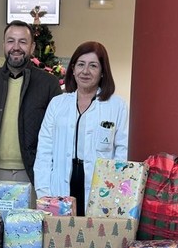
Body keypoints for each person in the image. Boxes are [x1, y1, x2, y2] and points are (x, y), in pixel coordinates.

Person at [33, 41, 129, 215]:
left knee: (96, 237)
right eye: (80, 65)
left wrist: (116, 192)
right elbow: (44, 151)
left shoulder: (117, 106)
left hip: (100, 186)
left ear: (102, 72)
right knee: (61, 237)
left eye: (93, 66)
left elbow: (122, 151)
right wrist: (44, 192)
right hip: (61, 183)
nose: (85, 71)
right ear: (73, 69)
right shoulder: (57, 103)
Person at [0, 20, 60, 184]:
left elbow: (57, 130)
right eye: (11, 41)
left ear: (32, 47)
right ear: (4, 45)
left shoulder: (48, 83)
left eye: (22, 42)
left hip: (33, 173)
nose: (16, 47)